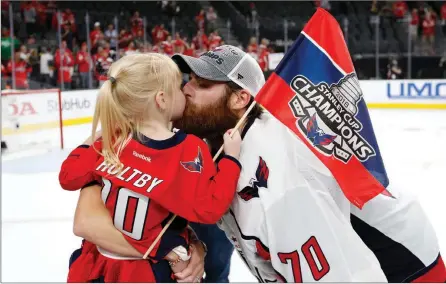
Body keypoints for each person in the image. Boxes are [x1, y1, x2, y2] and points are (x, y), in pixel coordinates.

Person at [67, 45, 445, 282]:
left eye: (202, 85)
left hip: (402, 266)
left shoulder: (275, 178)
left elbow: (343, 274)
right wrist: (187, 247)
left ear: (238, 100)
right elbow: (89, 216)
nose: (185, 88)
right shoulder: (204, 144)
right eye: (188, 79)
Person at [59, 53, 243, 282]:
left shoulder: (111, 141)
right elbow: (210, 208)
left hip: (97, 267)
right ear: (162, 99)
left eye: (201, 84)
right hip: (148, 272)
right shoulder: (188, 148)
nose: (185, 89)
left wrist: (90, 142)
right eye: (180, 85)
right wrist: (231, 160)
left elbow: (68, 176)